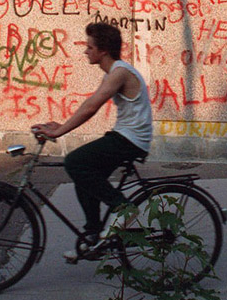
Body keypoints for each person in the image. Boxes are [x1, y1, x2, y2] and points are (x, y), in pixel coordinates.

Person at [31, 22, 152, 262]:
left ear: (103, 50)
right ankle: (92, 237)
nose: (85, 51)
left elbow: (91, 107)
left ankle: (123, 208)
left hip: (131, 139)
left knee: (75, 162)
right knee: (84, 175)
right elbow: (89, 104)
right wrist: (60, 125)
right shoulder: (114, 72)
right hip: (126, 136)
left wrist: (60, 132)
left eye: (89, 47)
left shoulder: (119, 73)